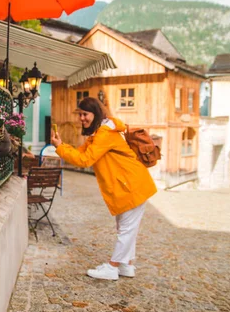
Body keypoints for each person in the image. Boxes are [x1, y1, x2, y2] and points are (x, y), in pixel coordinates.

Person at [50, 97, 156, 280]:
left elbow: (84, 160)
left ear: (95, 114)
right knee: (126, 227)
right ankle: (126, 265)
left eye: (85, 114)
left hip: (132, 185)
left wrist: (60, 148)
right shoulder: (99, 134)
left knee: (126, 229)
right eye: (80, 114)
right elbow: (81, 153)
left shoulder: (105, 134)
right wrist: (62, 146)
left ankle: (112, 267)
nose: (82, 118)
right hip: (128, 185)